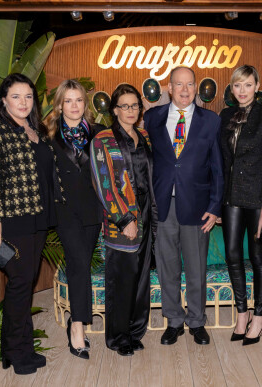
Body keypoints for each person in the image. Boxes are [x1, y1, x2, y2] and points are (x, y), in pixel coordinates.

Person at [0, 73, 61, 375]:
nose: (23, 102)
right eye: (16, 96)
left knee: (23, 283)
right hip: (11, 221)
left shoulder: (34, 129)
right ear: (3, 100)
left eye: (28, 97)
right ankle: (16, 352)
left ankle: (19, 349)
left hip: (36, 218)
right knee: (21, 286)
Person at [144, 66, 223, 346]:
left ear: (196, 87)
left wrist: (215, 207)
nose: (185, 90)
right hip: (164, 204)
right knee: (167, 266)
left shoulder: (211, 120)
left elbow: (218, 167)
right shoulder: (152, 117)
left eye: (190, 84)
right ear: (169, 87)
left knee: (196, 268)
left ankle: (197, 321)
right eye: (179, 85)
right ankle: (174, 320)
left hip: (198, 206)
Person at [90, 84, 157, 357]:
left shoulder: (145, 136)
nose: (130, 111)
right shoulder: (103, 139)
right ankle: (118, 337)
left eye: (134, 106)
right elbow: (101, 182)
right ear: (114, 109)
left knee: (141, 276)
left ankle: (135, 330)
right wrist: (124, 218)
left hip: (147, 213)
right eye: (124, 106)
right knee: (122, 278)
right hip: (123, 216)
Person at [219, 65, 262, 345]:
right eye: (237, 85)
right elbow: (222, 161)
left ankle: (259, 315)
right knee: (233, 255)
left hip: (258, 199)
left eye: (247, 85)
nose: (242, 90)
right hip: (231, 197)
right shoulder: (225, 116)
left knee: (258, 256)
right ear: (231, 89)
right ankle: (241, 313)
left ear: (257, 86)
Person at [44, 79, 103, 360]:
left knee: (82, 265)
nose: (74, 105)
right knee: (79, 264)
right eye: (68, 100)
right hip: (65, 211)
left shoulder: (100, 133)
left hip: (93, 211)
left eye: (78, 99)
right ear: (60, 105)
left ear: (85, 103)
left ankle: (76, 320)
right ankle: (77, 327)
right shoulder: (48, 137)